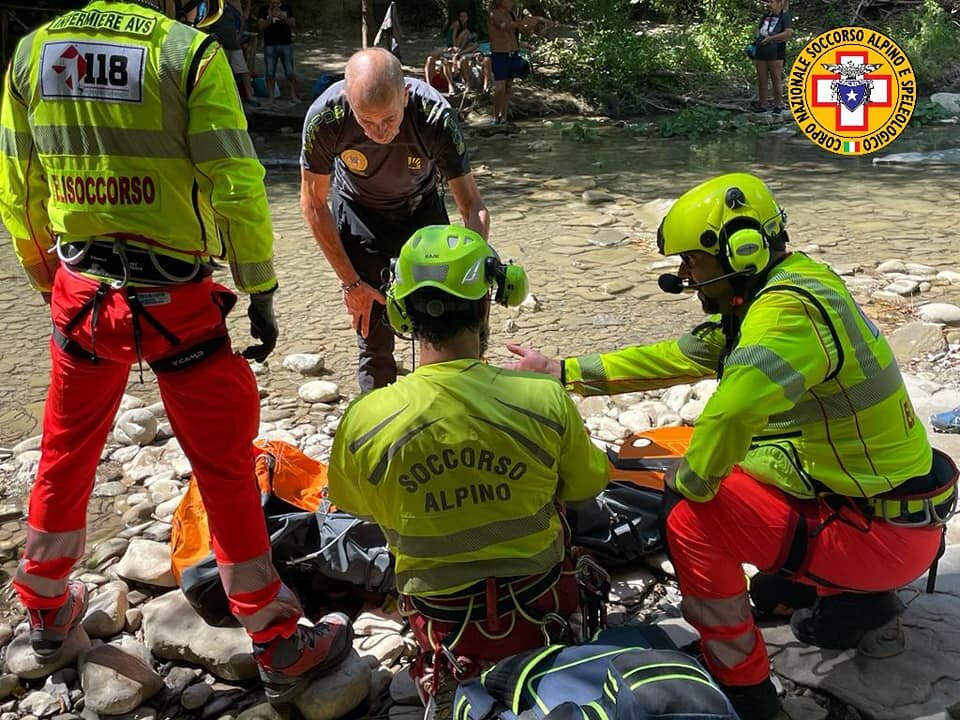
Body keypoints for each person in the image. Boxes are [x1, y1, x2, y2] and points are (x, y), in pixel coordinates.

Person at [0, 0, 352, 704]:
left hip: (82, 293)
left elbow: (19, 186)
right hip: (177, 304)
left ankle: (44, 611)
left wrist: (46, 282)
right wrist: (259, 286)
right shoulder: (187, 54)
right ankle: (276, 640)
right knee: (225, 468)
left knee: (66, 449)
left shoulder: (32, 52)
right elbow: (236, 185)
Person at [506, 173, 958, 720]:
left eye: (692, 262)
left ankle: (747, 688)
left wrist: (690, 484)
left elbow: (733, 413)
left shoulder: (784, 314)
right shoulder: (794, 284)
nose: (684, 277)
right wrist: (562, 370)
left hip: (874, 538)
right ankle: (850, 602)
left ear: (741, 249)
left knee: (688, 511)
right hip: (885, 517)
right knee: (742, 543)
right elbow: (678, 356)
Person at [327, 224, 610, 714]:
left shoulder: (365, 419)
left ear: (400, 312)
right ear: (486, 306)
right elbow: (588, 485)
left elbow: (354, 506)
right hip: (538, 598)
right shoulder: (543, 398)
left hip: (441, 614)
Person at [300, 48, 490, 393]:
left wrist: (476, 271)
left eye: (389, 119)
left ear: (405, 95)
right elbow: (313, 204)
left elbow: (472, 204)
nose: (379, 132)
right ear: (349, 101)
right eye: (366, 122)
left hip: (421, 210)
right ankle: (376, 414)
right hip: (358, 212)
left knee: (446, 325)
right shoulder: (326, 117)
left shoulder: (434, 115)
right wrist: (351, 284)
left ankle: (455, 401)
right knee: (373, 335)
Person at [488, 0, 546, 124]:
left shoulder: (513, 14)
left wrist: (534, 25)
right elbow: (504, 26)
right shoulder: (494, 13)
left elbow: (522, 30)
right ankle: (495, 117)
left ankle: (504, 117)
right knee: (500, 88)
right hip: (500, 54)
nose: (512, 2)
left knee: (508, 86)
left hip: (513, 53)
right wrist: (521, 22)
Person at [752, 0, 793, 113]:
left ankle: (778, 104)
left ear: (780, 3)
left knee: (776, 78)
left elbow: (788, 32)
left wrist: (771, 38)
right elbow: (759, 29)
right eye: (768, 2)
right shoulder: (766, 16)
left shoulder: (784, 15)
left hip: (776, 51)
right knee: (762, 78)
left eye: (771, 2)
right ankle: (763, 104)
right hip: (761, 50)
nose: (768, 4)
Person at [257, 0, 298, 104]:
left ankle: (293, 96)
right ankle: (271, 98)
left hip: (286, 44)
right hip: (270, 45)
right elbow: (260, 27)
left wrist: (283, 17)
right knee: (270, 72)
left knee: (290, 72)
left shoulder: (287, 7)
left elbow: (293, 24)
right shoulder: (263, 9)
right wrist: (271, 17)